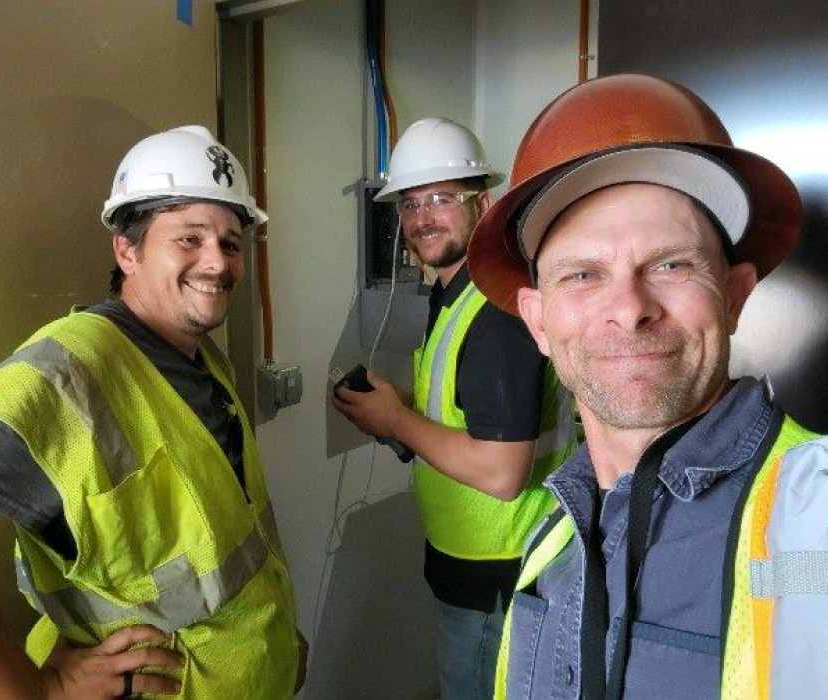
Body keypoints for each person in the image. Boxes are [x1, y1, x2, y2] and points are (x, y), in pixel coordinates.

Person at [0, 126, 306, 700]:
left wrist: (280, 642)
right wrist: (37, 693)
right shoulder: (71, 369)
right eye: (188, 239)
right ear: (127, 249)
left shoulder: (201, 359)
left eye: (231, 242)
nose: (216, 262)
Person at [466, 73, 828, 700]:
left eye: (670, 264)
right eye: (583, 274)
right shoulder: (554, 538)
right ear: (538, 321)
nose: (629, 308)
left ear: (736, 296)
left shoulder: (811, 523)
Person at [333, 117, 576, 700]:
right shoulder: (456, 290)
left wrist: (396, 421)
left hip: (502, 576)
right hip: (474, 567)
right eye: (411, 204)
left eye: (443, 198)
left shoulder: (496, 309)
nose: (422, 218)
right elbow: (472, 417)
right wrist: (399, 414)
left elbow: (501, 472)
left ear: (482, 204)